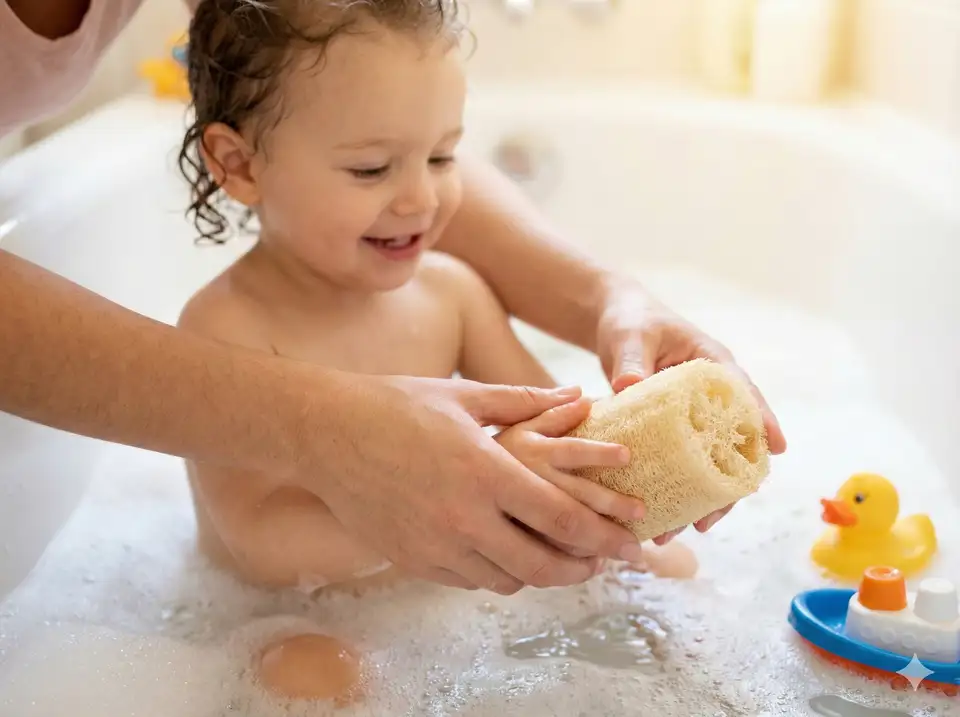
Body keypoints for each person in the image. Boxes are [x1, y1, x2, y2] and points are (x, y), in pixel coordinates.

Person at [0, 0, 786, 597]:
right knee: (310, 676)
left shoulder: (453, 292)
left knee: (666, 575)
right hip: (297, 612)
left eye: (444, 155)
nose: (422, 201)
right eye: (372, 169)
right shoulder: (227, 326)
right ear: (238, 165)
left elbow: (553, 420)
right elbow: (257, 540)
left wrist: (610, 486)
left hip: (441, 596)